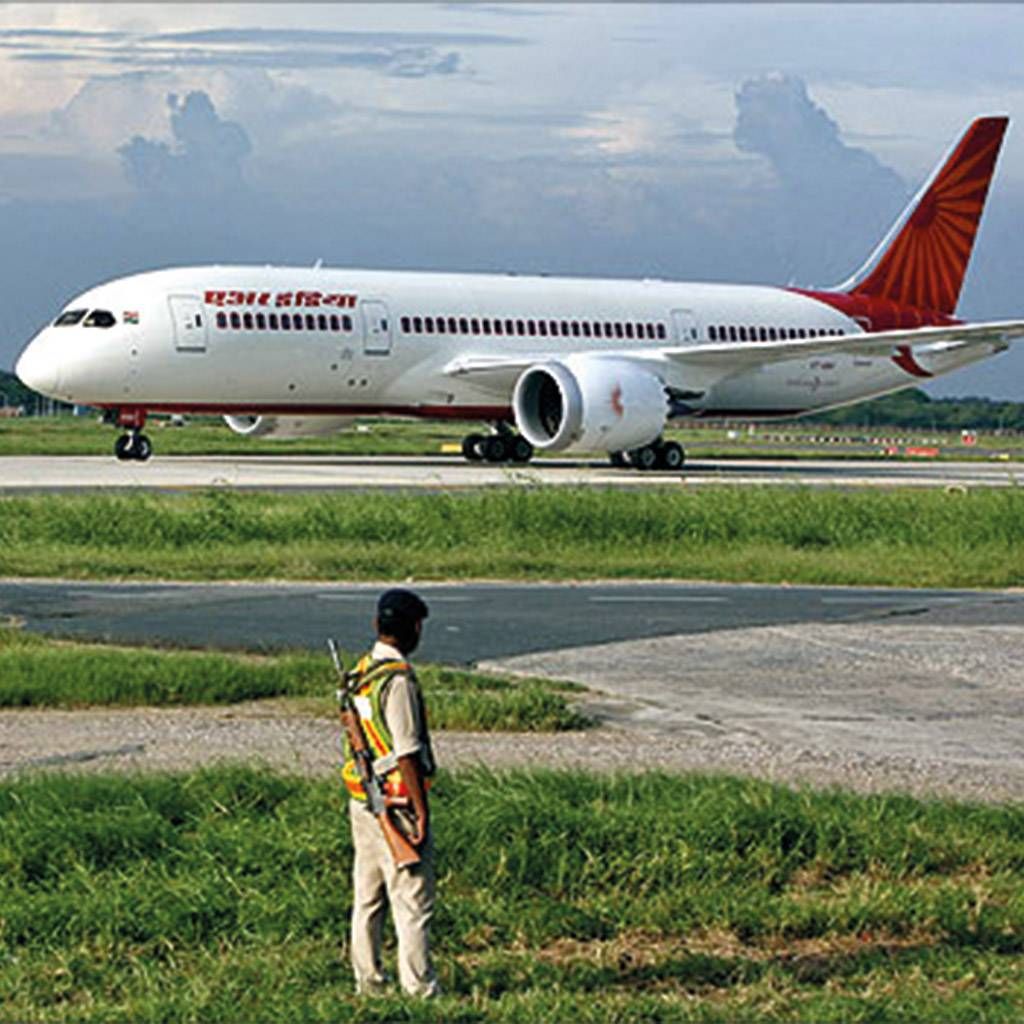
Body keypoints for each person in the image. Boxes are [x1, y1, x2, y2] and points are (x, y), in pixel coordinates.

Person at [341, 588, 439, 999]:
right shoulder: (397, 681)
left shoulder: (359, 674)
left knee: (368, 897)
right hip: (397, 802)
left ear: (377, 625)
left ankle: (369, 983)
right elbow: (407, 751)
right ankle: (419, 989)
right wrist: (420, 809)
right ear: (414, 628)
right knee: (412, 900)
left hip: (364, 800)